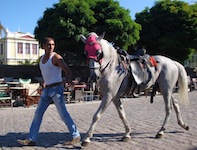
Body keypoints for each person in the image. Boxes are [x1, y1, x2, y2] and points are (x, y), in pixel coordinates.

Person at [17, 37, 80, 146]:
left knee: (63, 114)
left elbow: (67, 70)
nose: (51, 47)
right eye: (49, 45)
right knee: (38, 114)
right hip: (46, 90)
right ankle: (32, 139)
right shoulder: (41, 59)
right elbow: (46, 73)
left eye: (53, 45)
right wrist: (44, 82)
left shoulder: (56, 57)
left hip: (56, 90)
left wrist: (69, 79)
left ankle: (76, 135)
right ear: (43, 46)